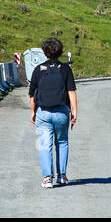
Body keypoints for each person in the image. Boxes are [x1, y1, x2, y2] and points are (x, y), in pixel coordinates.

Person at [28, 37, 77, 188]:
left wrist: (33, 112)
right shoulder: (66, 69)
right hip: (61, 112)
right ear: (61, 52)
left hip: (43, 112)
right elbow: (71, 92)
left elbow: (32, 94)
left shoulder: (39, 70)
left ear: (44, 52)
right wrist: (74, 111)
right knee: (62, 142)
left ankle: (47, 178)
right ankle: (62, 176)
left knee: (45, 145)